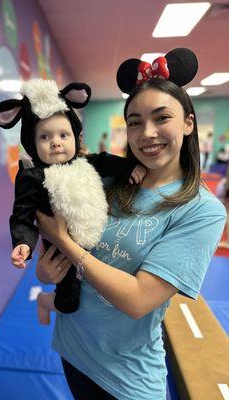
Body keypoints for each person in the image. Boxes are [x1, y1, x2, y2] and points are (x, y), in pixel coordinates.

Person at [35, 48, 227, 400]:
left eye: (161, 117)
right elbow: (53, 246)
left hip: (127, 378)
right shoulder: (107, 181)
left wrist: (64, 243)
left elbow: (138, 300)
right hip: (74, 347)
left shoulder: (202, 210)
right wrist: (46, 273)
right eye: (135, 121)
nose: (147, 133)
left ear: (188, 122)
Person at [0, 79, 146, 325]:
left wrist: (129, 167)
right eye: (44, 137)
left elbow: (107, 160)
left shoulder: (85, 162)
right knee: (69, 300)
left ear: (75, 136)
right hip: (59, 250)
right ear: (32, 144)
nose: (56, 142)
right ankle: (46, 301)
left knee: (102, 283)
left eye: (63, 134)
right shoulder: (34, 177)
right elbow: (22, 214)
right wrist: (23, 243)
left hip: (96, 241)